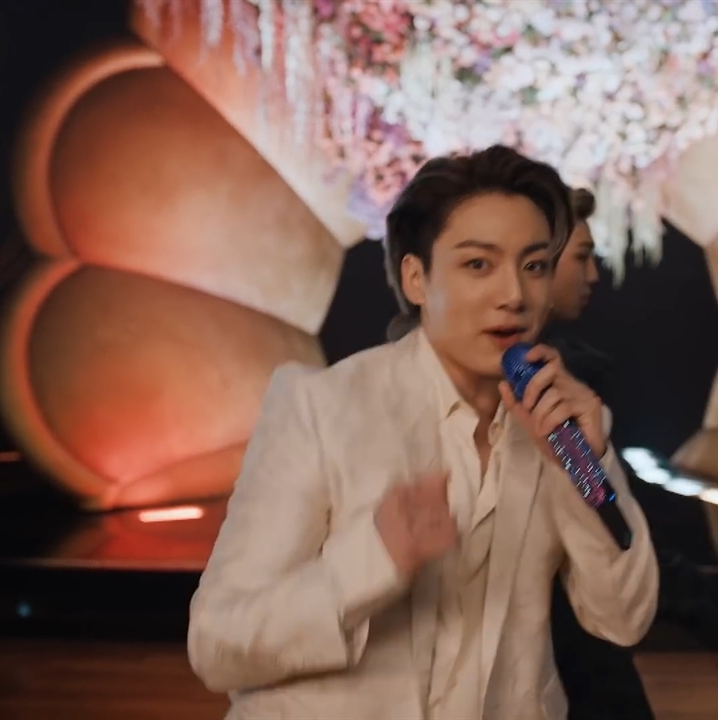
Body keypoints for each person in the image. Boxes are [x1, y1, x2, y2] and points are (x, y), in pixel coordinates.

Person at [188, 146, 659, 720]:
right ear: (416, 278)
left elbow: (625, 619)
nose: (514, 294)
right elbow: (217, 644)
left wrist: (585, 468)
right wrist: (373, 561)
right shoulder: (321, 409)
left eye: (535, 266)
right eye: (478, 264)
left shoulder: (565, 426)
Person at [545, 190, 718, 720]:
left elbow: (600, 503)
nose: (594, 275)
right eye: (581, 257)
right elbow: (602, 509)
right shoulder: (547, 385)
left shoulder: (561, 384)